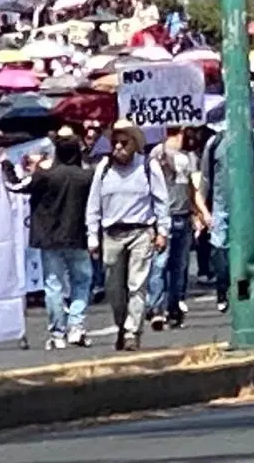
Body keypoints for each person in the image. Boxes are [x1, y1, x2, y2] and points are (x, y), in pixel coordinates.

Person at [0, 128, 95, 350]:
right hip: (78, 236)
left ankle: (58, 333)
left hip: (49, 238)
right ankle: (76, 325)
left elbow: (15, 185)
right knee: (82, 282)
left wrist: (5, 164)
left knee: (53, 285)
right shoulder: (86, 177)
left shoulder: (46, 176)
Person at [85, 120, 170, 351]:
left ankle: (133, 331)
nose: (118, 148)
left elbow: (161, 201)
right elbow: (94, 205)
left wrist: (163, 231)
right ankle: (122, 325)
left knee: (137, 285)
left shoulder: (147, 167)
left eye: (124, 143)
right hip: (112, 234)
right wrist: (92, 236)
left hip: (141, 232)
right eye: (115, 143)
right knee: (114, 288)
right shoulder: (104, 168)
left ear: (134, 144)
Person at [199, 119, 254, 312]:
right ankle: (222, 289)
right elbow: (206, 176)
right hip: (220, 205)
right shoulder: (214, 142)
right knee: (219, 248)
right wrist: (202, 207)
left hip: (247, 205)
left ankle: (242, 292)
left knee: (244, 251)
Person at [146, 126, 208, 329]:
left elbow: (192, 187)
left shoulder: (189, 157)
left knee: (179, 268)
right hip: (163, 216)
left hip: (183, 215)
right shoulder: (157, 152)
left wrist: (201, 212)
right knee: (160, 264)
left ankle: (174, 308)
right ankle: (156, 308)